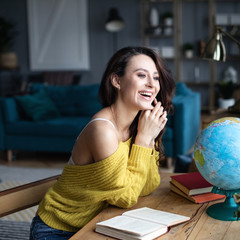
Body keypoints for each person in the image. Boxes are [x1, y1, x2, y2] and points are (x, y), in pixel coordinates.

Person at [29, 46, 175, 239]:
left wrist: (146, 139)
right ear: (116, 80)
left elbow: (148, 185)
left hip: (96, 223)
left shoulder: (139, 126)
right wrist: (143, 140)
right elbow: (127, 198)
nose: (152, 84)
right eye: (142, 75)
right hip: (58, 228)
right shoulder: (103, 130)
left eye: (155, 77)